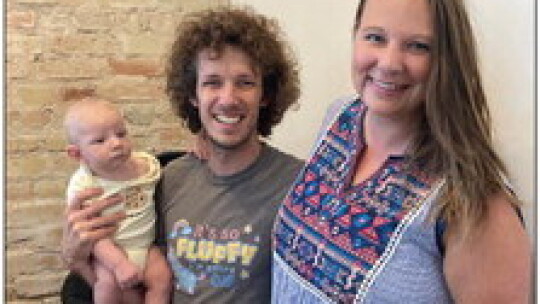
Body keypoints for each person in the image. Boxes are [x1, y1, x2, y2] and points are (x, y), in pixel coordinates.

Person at [272, 0, 531, 303]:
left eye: (418, 46)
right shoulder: (339, 118)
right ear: (355, 36)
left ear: (448, 60)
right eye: (375, 37)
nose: (390, 63)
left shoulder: (474, 201)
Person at [61, 7, 303, 304]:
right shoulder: (170, 178)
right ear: (193, 95)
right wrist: (78, 261)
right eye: (212, 82)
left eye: (245, 83)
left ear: (265, 95)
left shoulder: (299, 185)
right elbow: (137, 285)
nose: (228, 99)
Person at [63, 97, 171, 304]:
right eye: (100, 140)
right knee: (107, 287)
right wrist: (119, 264)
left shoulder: (146, 166)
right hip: (110, 252)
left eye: (121, 134)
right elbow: (90, 234)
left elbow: (165, 175)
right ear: (76, 153)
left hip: (146, 247)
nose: (116, 143)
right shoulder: (84, 185)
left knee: (162, 280)